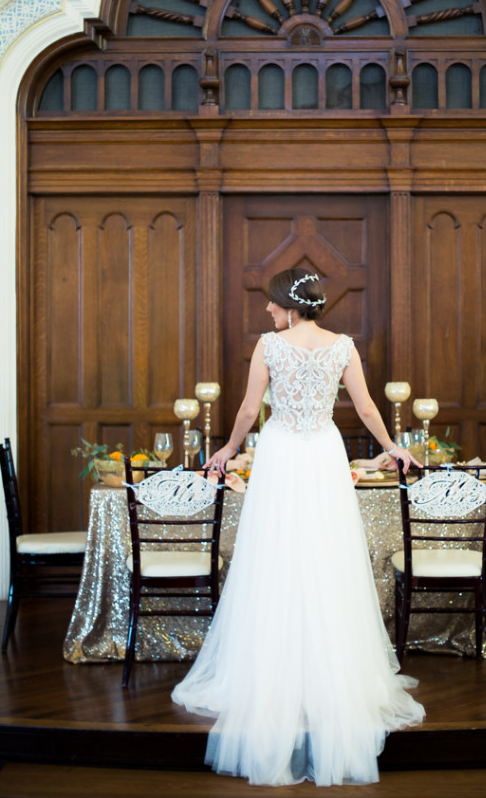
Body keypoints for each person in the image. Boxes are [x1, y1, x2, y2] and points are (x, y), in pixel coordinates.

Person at [172, 268, 425, 785]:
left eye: (271, 303)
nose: (266, 311)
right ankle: (329, 678)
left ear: (288, 304)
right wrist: (392, 447)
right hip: (322, 454)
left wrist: (225, 448)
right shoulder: (342, 346)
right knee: (326, 557)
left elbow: (248, 409)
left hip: (284, 453)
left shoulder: (270, 345)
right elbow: (366, 406)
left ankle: (275, 676)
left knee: (277, 557)